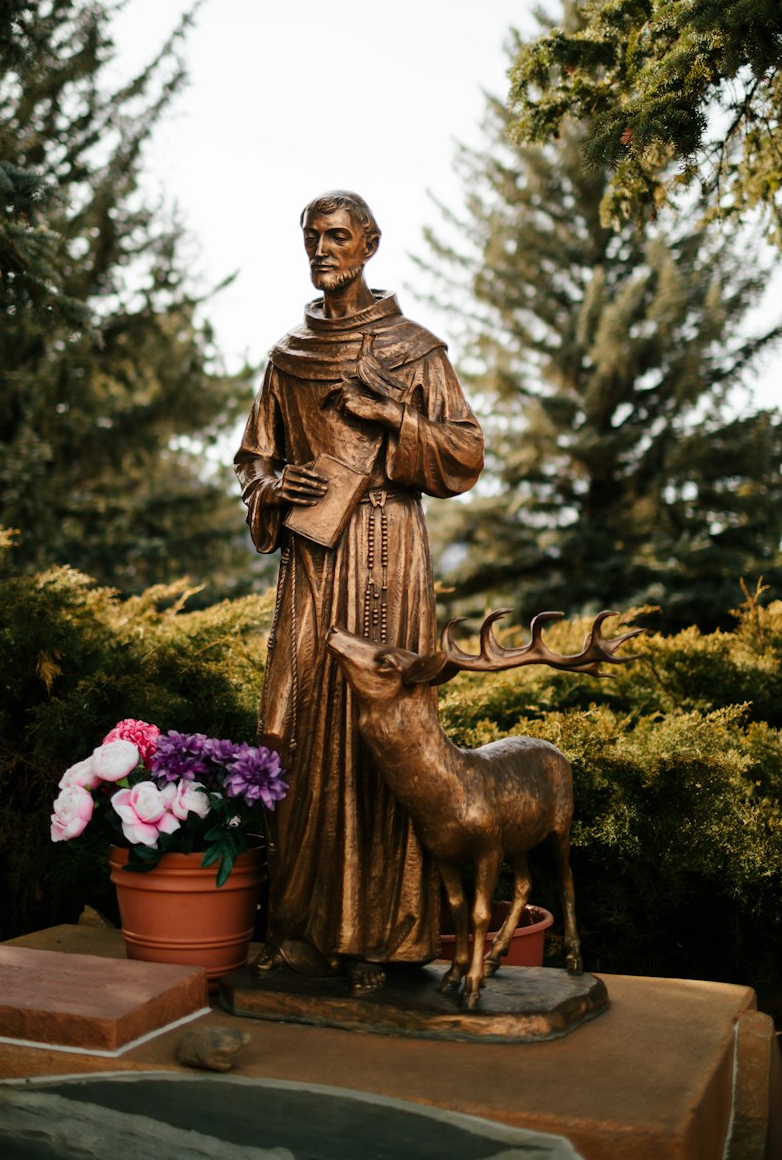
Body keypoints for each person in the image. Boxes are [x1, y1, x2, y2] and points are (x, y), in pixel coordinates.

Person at [234, 190, 484, 991]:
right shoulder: (287, 355)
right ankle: (305, 929)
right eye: (311, 236)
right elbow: (252, 461)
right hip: (311, 564)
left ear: (369, 244)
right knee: (300, 732)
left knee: (383, 736)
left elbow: (465, 454)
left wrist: (389, 416)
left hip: (384, 555)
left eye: (337, 236)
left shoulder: (414, 350)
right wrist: (275, 488)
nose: (322, 249)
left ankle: (381, 939)